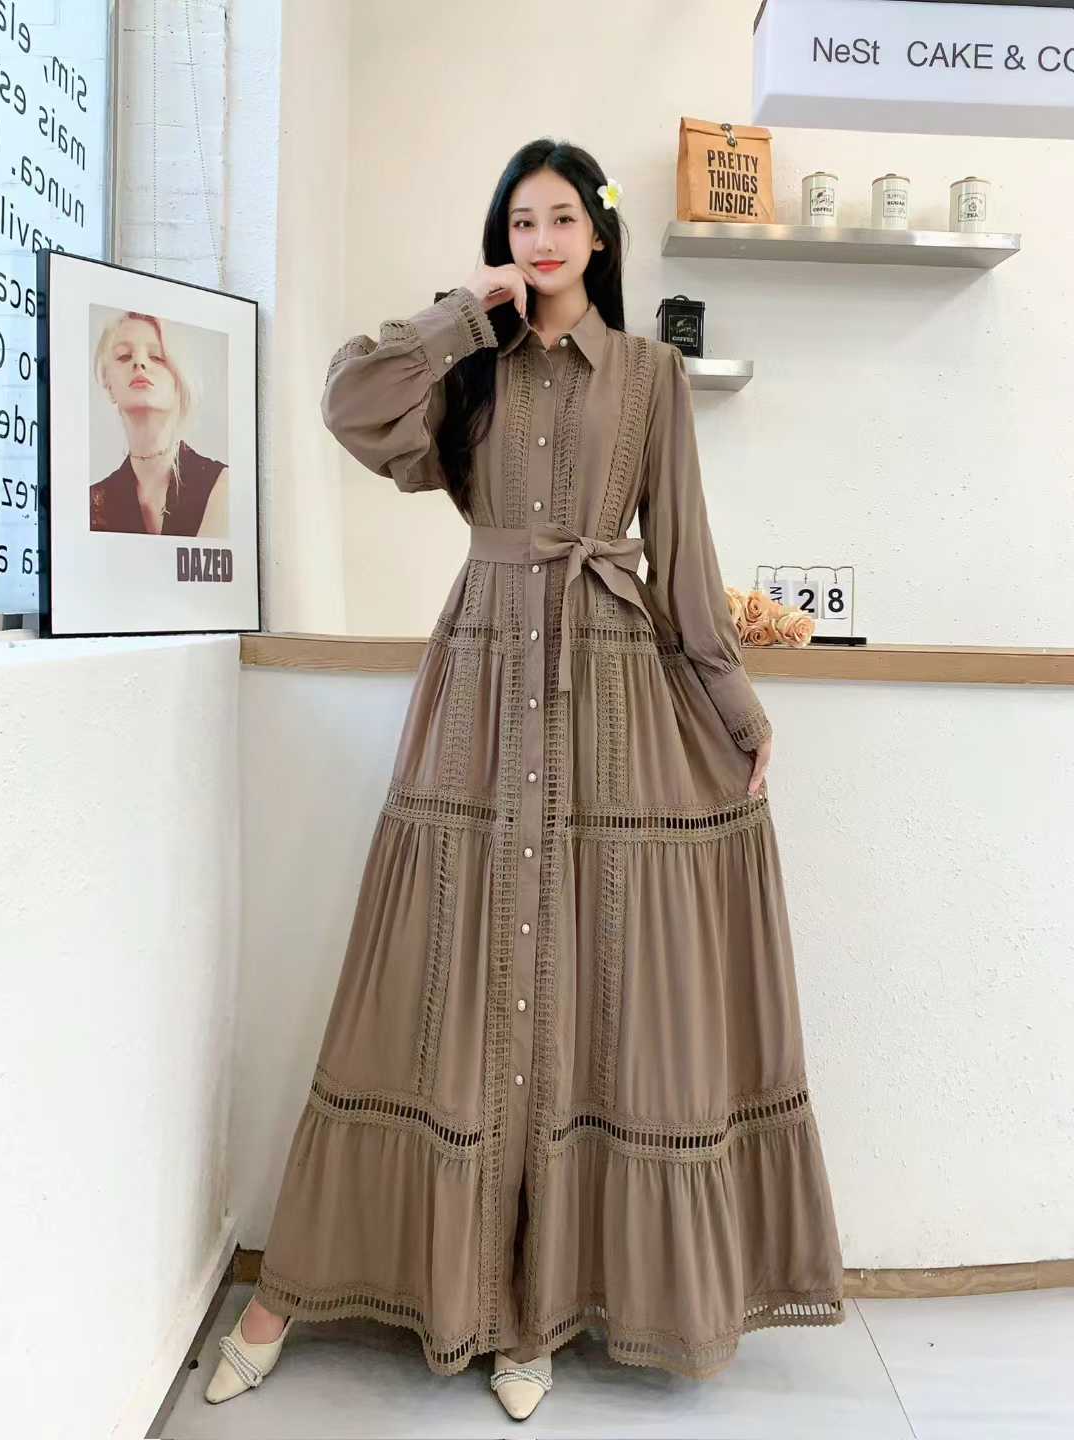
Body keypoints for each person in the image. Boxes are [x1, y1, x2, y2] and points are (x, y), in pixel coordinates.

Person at [206, 139, 845, 1422]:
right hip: (486, 688)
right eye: (519, 223)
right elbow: (349, 403)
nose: (540, 240)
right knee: (445, 969)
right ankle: (366, 1291)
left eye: (560, 220)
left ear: (600, 236)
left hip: (609, 694)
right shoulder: (470, 371)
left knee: (585, 986)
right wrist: (467, 309)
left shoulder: (652, 377)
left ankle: (537, 1316)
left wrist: (734, 705)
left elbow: (684, 556)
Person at [90, 311, 229, 538]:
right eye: (124, 356)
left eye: (157, 357)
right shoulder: (92, 504)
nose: (140, 363)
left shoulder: (222, 485)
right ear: (108, 385)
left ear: (179, 379)